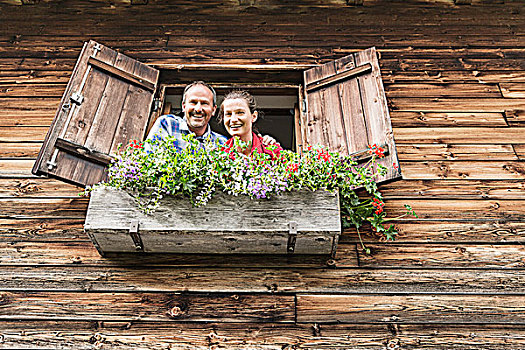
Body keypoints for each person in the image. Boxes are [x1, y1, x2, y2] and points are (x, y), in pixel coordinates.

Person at [145, 81, 276, 152]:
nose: (198, 109)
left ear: (213, 110)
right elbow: (149, 159)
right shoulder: (167, 124)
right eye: (193, 102)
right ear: (184, 106)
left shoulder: (222, 143)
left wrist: (265, 142)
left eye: (204, 103)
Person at [218, 90, 283, 160]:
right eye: (228, 114)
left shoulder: (272, 151)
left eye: (240, 112)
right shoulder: (219, 156)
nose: (233, 119)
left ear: (254, 116)